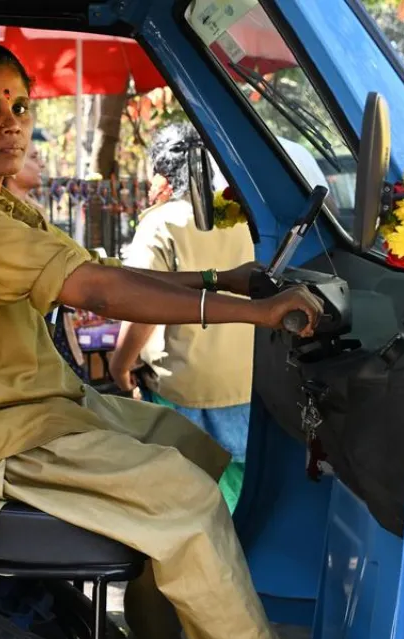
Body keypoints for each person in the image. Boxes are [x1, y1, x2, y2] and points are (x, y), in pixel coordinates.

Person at [0, 39, 365, 639]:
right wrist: (250, 310)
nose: (11, 124)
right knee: (190, 507)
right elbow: (101, 291)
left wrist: (214, 278)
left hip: (39, 407)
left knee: (188, 448)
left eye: (19, 106)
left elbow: (100, 271)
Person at [109, 122, 257, 514]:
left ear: (159, 174)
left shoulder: (161, 222)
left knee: (188, 499)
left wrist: (120, 366)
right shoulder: (242, 217)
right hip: (248, 385)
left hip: (182, 389)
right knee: (239, 493)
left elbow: (140, 305)